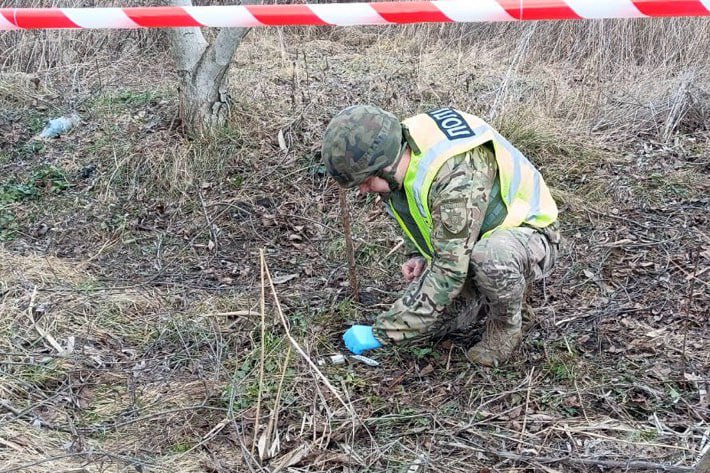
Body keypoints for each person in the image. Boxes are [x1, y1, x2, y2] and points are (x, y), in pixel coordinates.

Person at [321, 105, 560, 367]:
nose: (364, 191)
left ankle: (508, 324)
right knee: (424, 329)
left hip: (530, 233)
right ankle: (479, 296)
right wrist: (416, 252)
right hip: (475, 236)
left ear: (385, 164)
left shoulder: (457, 175)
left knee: (491, 257)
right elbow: (413, 206)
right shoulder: (396, 146)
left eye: (366, 181)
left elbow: (448, 270)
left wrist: (382, 331)